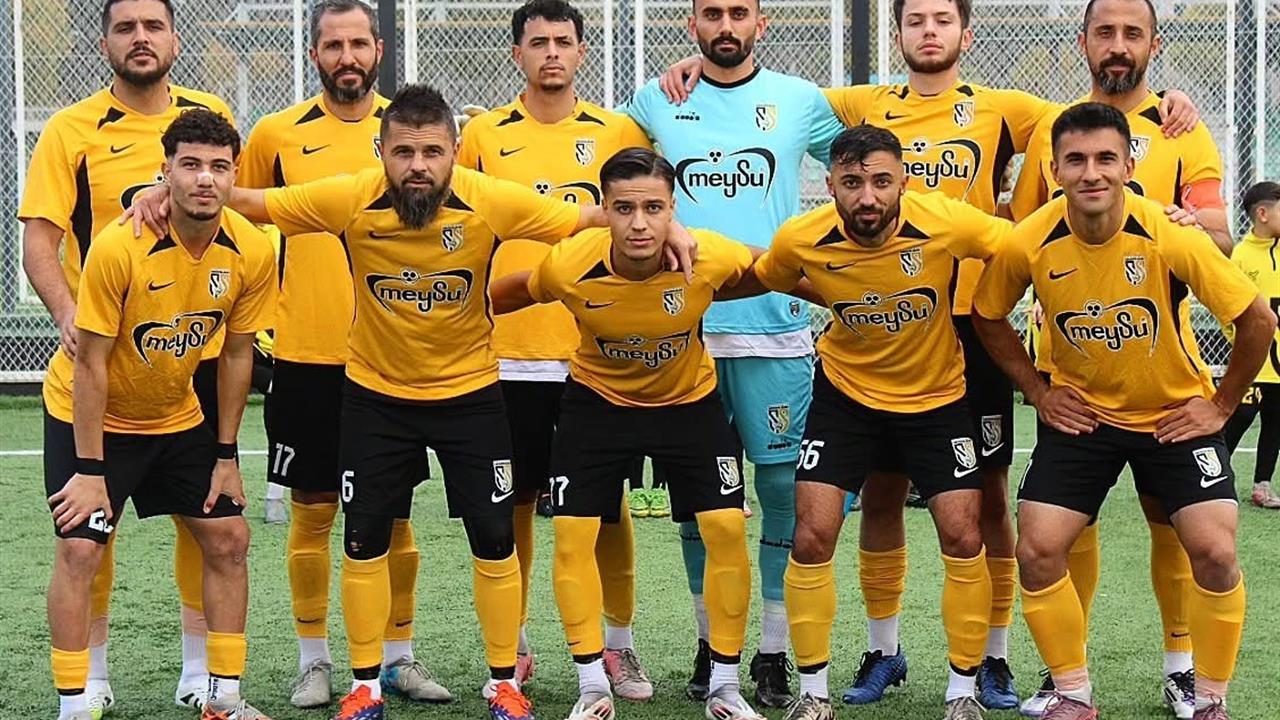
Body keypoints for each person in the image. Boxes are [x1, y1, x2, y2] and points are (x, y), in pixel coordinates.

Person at [657, 0, 1199, 706]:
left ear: (965, 32)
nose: (930, 31)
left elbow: (1090, 121)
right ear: (899, 33)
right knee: (866, 504)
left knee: (982, 509)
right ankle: (872, 658)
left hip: (966, 336)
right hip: (862, 359)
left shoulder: (1001, 114)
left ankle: (986, 666)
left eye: (943, 19)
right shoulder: (860, 109)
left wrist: (1161, 101)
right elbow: (768, 101)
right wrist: (703, 66)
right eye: (916, 20)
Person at [129, 83, 694, 720]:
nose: (417, 166)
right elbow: (255, 201)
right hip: (376, 398)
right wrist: (163, 191)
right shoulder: (350, 196)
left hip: (470, 396)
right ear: (382, 153)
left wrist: (669, 222)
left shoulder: (490, 199)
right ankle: (365, 686)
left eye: (431, 152)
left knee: (494, 539)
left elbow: (588, 217)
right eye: (403, 152)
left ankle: (502, 682)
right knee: (363, 539)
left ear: (455, 151)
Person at [972, 101, 1276, 720]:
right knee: (1037, 549)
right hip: (1083, 417)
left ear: (1128, 166)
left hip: (1172, 415)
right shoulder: (1029, 240)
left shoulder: (1169, 233)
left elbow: (1257, 320)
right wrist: (1039, 392)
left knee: (1215, 550)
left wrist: (1220, 405)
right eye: (1076, 160)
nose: (1092, 173)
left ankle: (1209, 698)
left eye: (1105, 158)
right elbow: (987, 313)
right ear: (1054, 169)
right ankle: (1072, 693)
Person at [491, 147, 804, 720]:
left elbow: (774, 270)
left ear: (673, 210)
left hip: (688, 403)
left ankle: (725, 688)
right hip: (597, 404)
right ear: (604, 212)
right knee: (572, 536)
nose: (639, 223)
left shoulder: (709, 255)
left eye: (653, 209)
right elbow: (512, 292)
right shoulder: (570, 264)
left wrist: (848, 292)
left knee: (725, 526)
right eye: (625, 209)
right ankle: (592, 686)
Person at [742, 124, 1014, 720]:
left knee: (963, 535)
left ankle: (962, 692)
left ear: (904, 182)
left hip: (937, 398)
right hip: (847, 398)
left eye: (881, 182)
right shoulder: (802, 237)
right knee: (812, 535)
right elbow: (769, 275)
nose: (867, 197)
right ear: (830, 186)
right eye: (852, 183)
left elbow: (1019, 249)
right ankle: (814, 695)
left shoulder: (946, 221)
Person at [1010, 2, 1233, 715]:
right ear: (1083, 41)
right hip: (1074, 373)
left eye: (1131, 33)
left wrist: (1183, 223)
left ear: (1153, 44)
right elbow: (1021, 230)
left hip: (1162, 376)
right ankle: (1067, 678)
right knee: (1065, 526)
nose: (1117, 45)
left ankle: (1182, 666)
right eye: (1104, 32)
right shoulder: (1054, 127)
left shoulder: (1181, 127)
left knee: (1175, 523)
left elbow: (1222, 233)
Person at [622, 1, 847, 705]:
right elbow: (610, 172)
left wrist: (814, 251)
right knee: (699, 500)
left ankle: (773, 652)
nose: (726, 25)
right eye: (712, 13)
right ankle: (709, 642)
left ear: (761, 23)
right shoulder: (656, 99)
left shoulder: (800, 100)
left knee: (781, 491)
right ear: (692, 24)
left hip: (774, 327)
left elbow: (863, 161)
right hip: (681, 331)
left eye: (738, 12)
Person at [17, 0, 235, 711]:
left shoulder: (208, 115)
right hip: (102, 370)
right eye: (125, 28)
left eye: (153, 26)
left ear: (175, 38)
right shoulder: (72, 129)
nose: (141, 38)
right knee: (88, 537)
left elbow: (237, 206)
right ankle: (90, 682)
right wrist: (68, 315)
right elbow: (40, 242)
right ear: (105, 42)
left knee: (206, 525)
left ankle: (200, 675)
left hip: (188, 366)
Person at [236, 0, 448, 707]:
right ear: (315, 54)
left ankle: (398, 656)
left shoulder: (407, 133)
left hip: (391, 356)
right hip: (305, 355)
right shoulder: (276, 134)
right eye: (334, 45)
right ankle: (314, 661)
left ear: (379, 49)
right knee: (312, 509)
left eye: (359, 43)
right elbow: (236, 209)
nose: (347, 56)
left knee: (395, 516)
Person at [43, 109, 276, 720]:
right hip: (91, 417)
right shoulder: (120, 246)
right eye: (190, 164)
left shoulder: (252, 249)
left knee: (229, 539)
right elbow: (90, 361)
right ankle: (75, 702)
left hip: (175, 416)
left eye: (219, 167)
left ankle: (222, 697)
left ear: (234, 175)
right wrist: (90, 470)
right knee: (80, 549)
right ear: (165, 171)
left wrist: (226, 456)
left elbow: (236, 354)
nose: (205, 178)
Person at [456, 0, 654, 697]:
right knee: (511, 501)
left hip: (595, 354)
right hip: (506, 352)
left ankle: (618, 648)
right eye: (537, 42)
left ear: (580, 52)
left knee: (607, 507)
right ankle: (512, 646)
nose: (550, 53)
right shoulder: (483, 134)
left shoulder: (616, 130)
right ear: (517, 53)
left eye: (563, 42)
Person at [1223, 181, 1280, 508]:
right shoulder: (1241, 257)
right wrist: (1241, 343)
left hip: (1279, 364)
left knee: (1275, 421)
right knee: (1241, 416)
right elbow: (1226, 308)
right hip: (1254, 362)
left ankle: (1262, 485)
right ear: (1262, 214)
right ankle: (1216, 476)